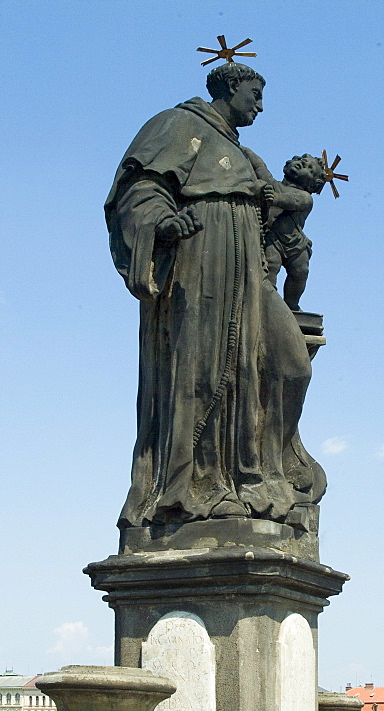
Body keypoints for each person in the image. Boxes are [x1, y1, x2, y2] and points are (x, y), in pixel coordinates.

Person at [105, 63, 326, 530]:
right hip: (202, 262)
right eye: (255, 93)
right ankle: (193, 489)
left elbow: (280, 206)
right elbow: (139, 187)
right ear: (230, 87)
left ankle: (262, 475)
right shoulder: (179, 125)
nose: (260, 105)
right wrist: (163, 221)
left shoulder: (240, 150)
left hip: (246, 268)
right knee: (203, 371)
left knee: (289, 365)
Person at [263, 154, 327, 311]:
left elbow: (292, 201)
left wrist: (274, 198)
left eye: (309, 168)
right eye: (301, 161)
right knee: (270, 266)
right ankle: (269, 303)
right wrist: (243, 151)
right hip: (272, 238)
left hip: (296, 243)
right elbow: (260, 168)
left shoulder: (305, 197)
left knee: (300, 271)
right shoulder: (273, 185)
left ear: (313, 185)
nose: (301, 165)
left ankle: (291, 305)